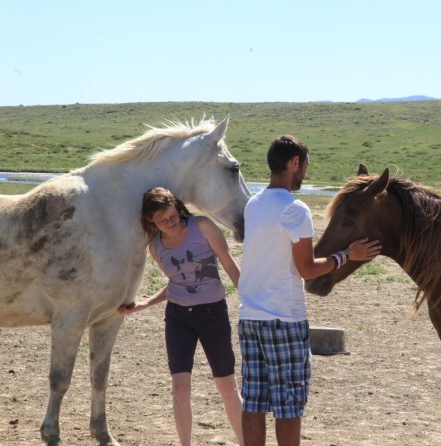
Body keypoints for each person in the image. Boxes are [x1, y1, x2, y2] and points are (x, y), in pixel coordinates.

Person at [237, 136, 382, 446]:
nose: (304, 172)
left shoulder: (254, 203)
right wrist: (347, 256)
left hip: (250, 317)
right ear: (294, 163)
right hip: (284, 320)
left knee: (253, 402)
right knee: (288, 406)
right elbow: (307, 270)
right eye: (304, 165)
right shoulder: (295, 209)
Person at [119, 187, 244, 446]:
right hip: (177, 317)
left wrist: (251, 298)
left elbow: (229, 264)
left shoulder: (203, 226)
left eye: (173, 216)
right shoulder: (155, 245)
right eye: (163, 220)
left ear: (178, 207)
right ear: (151, 221)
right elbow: (178, 281)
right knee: (179, 387)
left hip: (212, 314)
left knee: (227, 387)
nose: (171, 223)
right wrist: (145, 303)